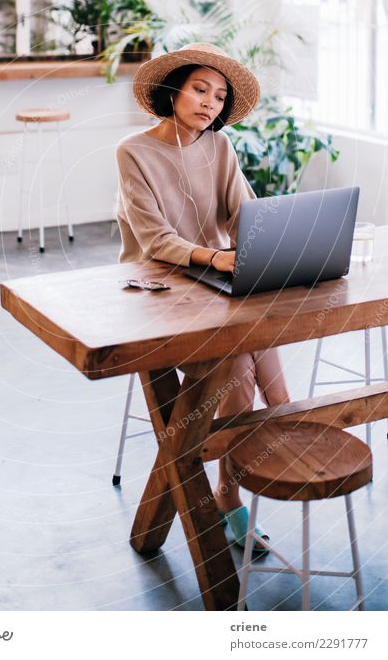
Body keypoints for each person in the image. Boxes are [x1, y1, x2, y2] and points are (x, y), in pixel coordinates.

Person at [116, 42, 290, 552]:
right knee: (238, 385)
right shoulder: (133, 151)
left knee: (278, 392)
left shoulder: (220, 146)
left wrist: (273, 237)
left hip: (220, 277)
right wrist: (216, 258)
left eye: (219, 96)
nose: (210, 103)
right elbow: (153, 241)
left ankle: (246, 477)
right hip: (163, 285)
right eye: (199, 89)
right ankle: (228, 497)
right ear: (173, 91)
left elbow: (243, 212)